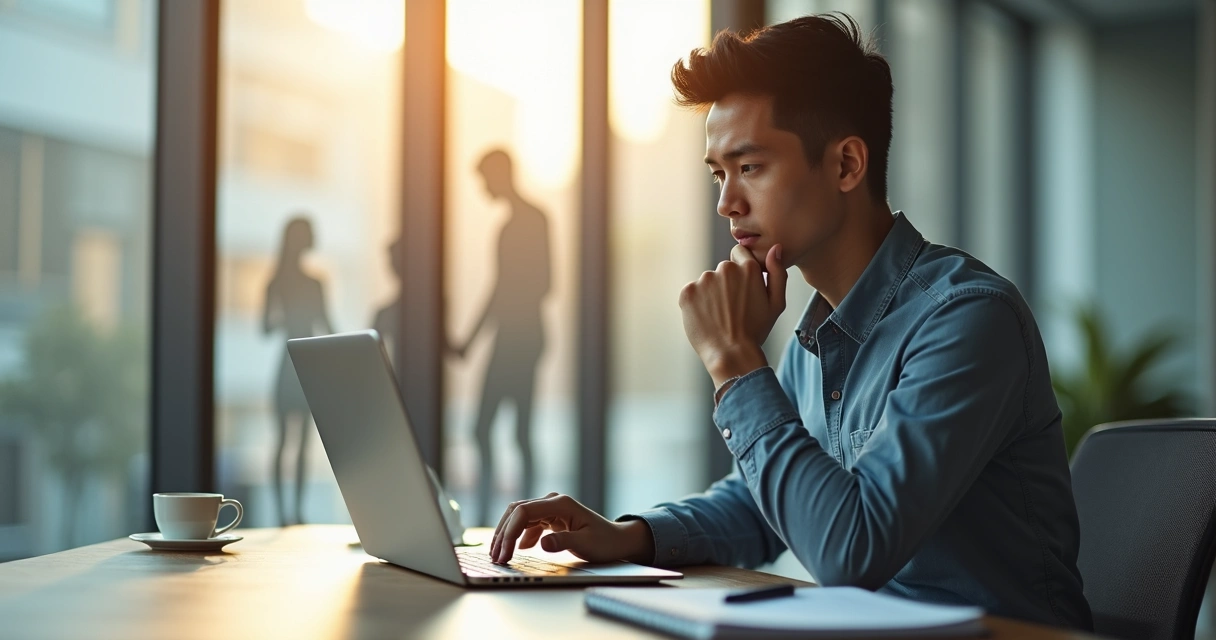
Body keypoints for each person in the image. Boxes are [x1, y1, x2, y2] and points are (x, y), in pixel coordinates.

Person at [488, 14, 1093, 631]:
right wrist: (628, 536)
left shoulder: (966, 319)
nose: (726, 202)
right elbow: (760, 507)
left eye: (749, 167)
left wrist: (733, 361)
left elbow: (852, 550)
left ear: (846, 165)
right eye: (718, 174)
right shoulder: (817, 334)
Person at [451, 149, 552, 526]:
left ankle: (515, 518)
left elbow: (524, 286)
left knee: (507, 429)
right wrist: (471, 339)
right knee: (511, 430)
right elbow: (504, 288)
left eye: (484, 179)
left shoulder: (524, 222)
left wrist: (471, 338)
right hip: (520, 334)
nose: (483, 187)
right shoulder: (523, 221)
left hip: (519, 337)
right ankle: (509, 516)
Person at [263, 216, 334, 526]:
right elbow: (265, 326)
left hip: (299, 363)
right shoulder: (284, 283)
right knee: (288, 441)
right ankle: (285, 512)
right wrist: (289, 318)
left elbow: (326, 325)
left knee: (297, 441)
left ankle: (293, 511)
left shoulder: (301, 283)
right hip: (296, 363)